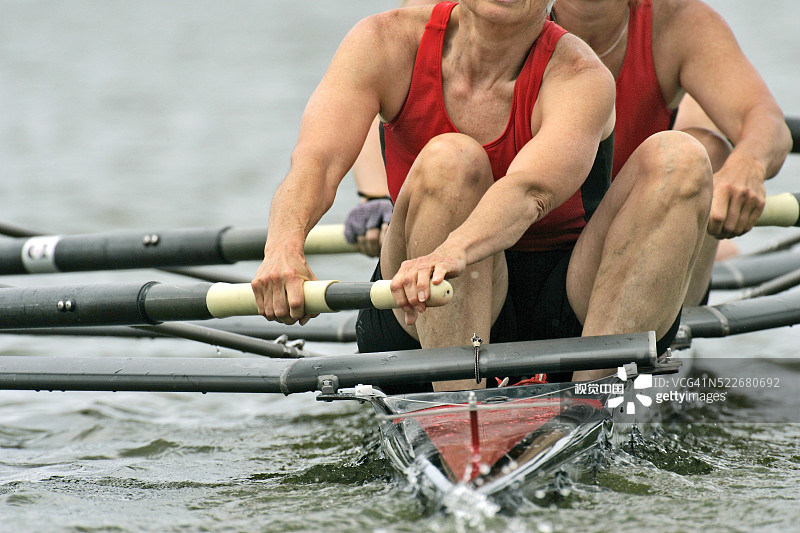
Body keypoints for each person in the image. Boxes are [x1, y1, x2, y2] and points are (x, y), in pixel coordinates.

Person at [252, 1, 712, 390]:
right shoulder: (385, 42)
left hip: (568, 313)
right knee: (453, 160)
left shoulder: (579, 75)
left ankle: (592, 401)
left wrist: (455, 250)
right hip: (419, 309)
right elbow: (316, 162)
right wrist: (283, 250)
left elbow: (529, 190)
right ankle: (457, 416)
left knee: (681, 158)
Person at [347, 0, 792, 306]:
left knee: (706, 145)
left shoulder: (679, 24)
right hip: (488, 240)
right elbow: (379, 106)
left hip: (616, 242)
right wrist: (375, 201)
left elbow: (764, 121)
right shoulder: (486, 11)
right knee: (450, 162)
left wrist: (747, 166)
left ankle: (614, 369)